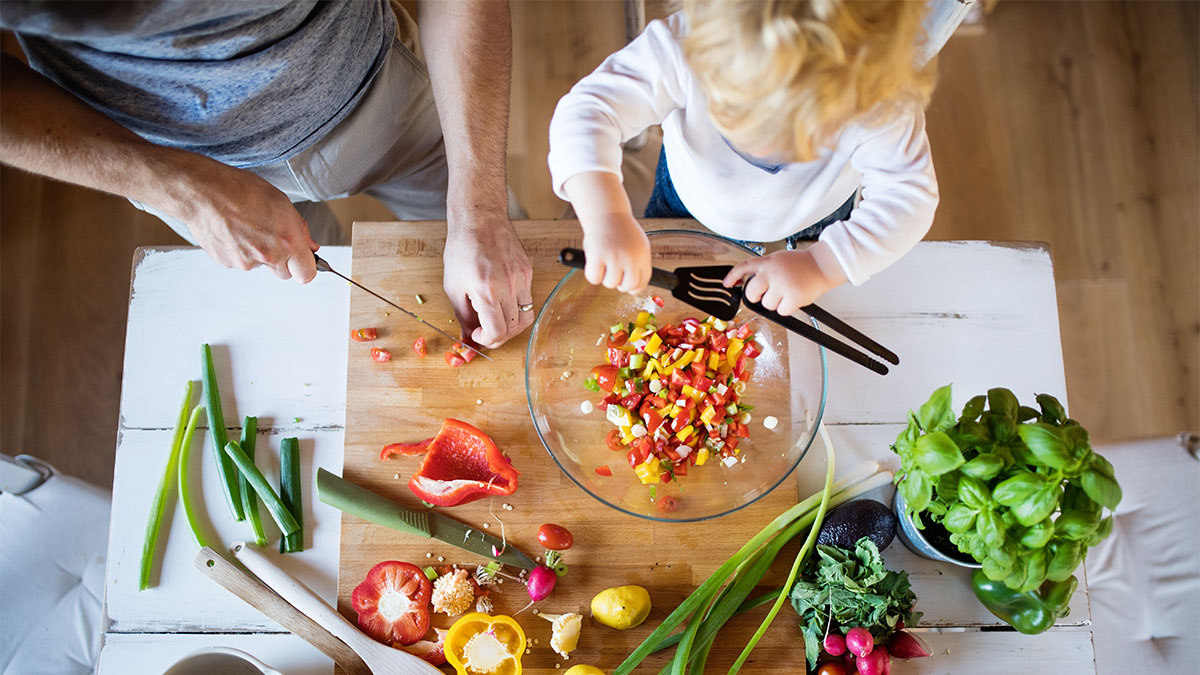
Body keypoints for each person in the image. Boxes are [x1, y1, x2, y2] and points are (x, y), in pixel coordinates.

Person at [0, 0, 533, 348]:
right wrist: (182, 190)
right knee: (328, 325)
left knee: (503, 275)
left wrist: (480, 211)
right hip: (175, 163)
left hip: (377, 90)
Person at [548, 0, 939, 318]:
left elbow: (908, 197)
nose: (766, 150)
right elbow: (589, 110)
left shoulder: (881, 97)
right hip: (686, 201)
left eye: (802, 133)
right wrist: (607, 217)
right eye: (738, 110)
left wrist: (822, 265)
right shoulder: (688, 45)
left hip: (813, 224)